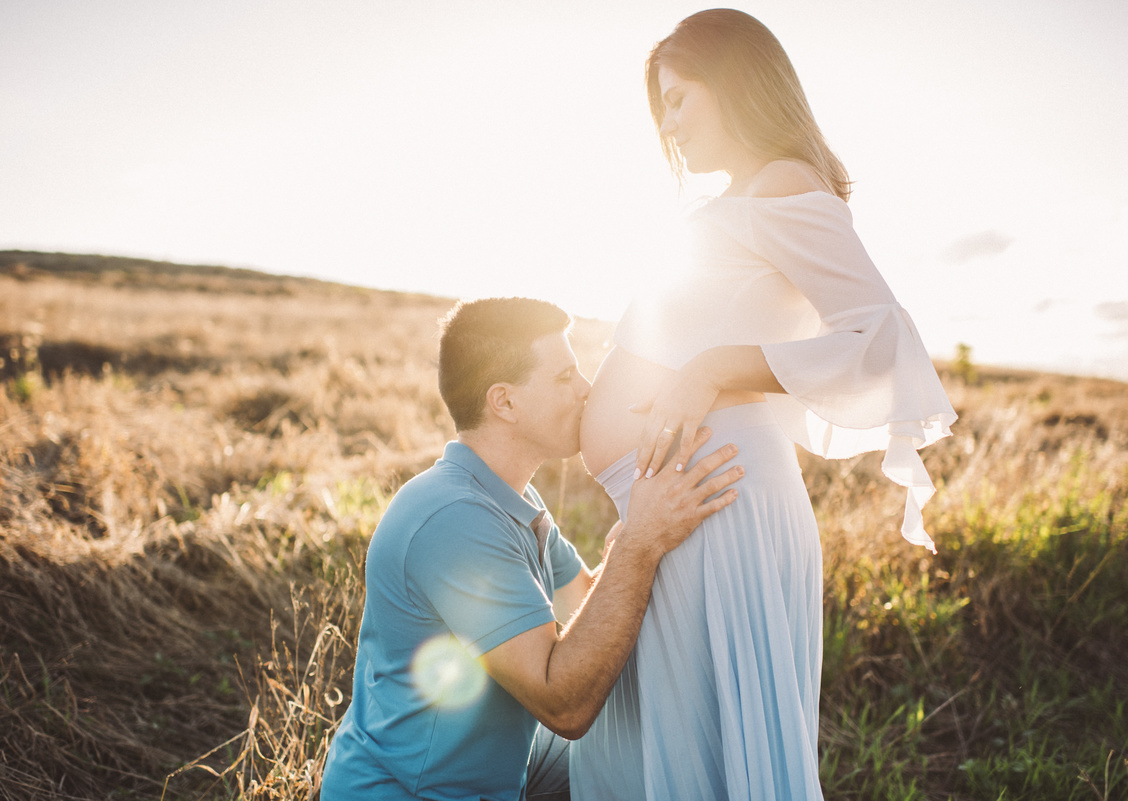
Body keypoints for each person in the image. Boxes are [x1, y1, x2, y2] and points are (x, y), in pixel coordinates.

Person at [570, 9, 958, 800]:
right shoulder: (743, 198)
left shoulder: (784, 183)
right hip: (681, 512)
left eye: (681, 100)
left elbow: (882, 336)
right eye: (662, 109)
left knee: (710, 763)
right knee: (665, 756)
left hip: (722, 509)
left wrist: (716, 367)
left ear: (737, 83)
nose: (669, 124)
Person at [320, 296, 744, 801]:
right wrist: (637, 545)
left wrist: (643, 536)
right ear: (504, 402)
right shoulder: (454, 520)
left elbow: (586, 596)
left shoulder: (513, 496)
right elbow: (564, 704)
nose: (586, 391)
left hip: (506, 770)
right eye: (565, 378)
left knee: (653, 751)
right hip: (412, 792)